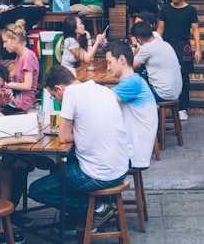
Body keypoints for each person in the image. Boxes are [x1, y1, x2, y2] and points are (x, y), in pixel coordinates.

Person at [28, 67, 129, 224]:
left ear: (58, 89)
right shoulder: (103, 90)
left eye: (54, 96)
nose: (56, 100)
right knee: (62, 167)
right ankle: (79, 219)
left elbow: (64, 136)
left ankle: (96, 208)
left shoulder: (71, 94)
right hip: (121, 168)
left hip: (99, 174)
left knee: (37, 190)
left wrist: (79, 133)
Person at [106, 40, 158, 170]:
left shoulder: (133, 82)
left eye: (109, 62)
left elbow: (101, 101)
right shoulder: (135, 80)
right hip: (132, 152)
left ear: (122, 60)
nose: (107, 68)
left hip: (132, 156)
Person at [158, 0, 201, 120]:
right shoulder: (165, 9)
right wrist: (156, 45)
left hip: (184, 46)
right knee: (166, 75)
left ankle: (183, 107)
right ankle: (168, 105)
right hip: (167, 46)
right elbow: (160, 29)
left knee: (184, 77)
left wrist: (198, 48)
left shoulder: (190, 10)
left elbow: (195, 30)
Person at [131, 20, 183, 103]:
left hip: (162, 94)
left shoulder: (147, 48)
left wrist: (134, 46)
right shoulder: (165, 44)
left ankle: (144, 113)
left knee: (135, 76)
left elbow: (131, 66)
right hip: (176, 93)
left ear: (139, 39)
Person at [0, 25, 39, 111]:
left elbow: (27, 85)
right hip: (16, 98)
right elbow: (11, 75)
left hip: (23, 102)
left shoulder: (28, 57)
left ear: (15, 40)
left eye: (5, 42)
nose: (4, 45)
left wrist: (6, 85)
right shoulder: (19, 56)